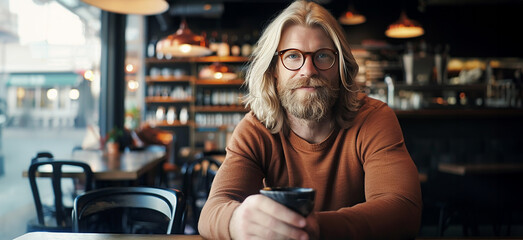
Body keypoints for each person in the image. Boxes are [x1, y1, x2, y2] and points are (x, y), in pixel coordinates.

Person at [198, 1, 422, 239]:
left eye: (323, 56)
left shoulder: (373, 119)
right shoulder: (256, 128)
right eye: (292, 56)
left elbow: (403, 210)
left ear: (341, 67)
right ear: (274, 68)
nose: (308, 70)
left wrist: (311, 227)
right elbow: (211, 212)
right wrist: (236, 222)